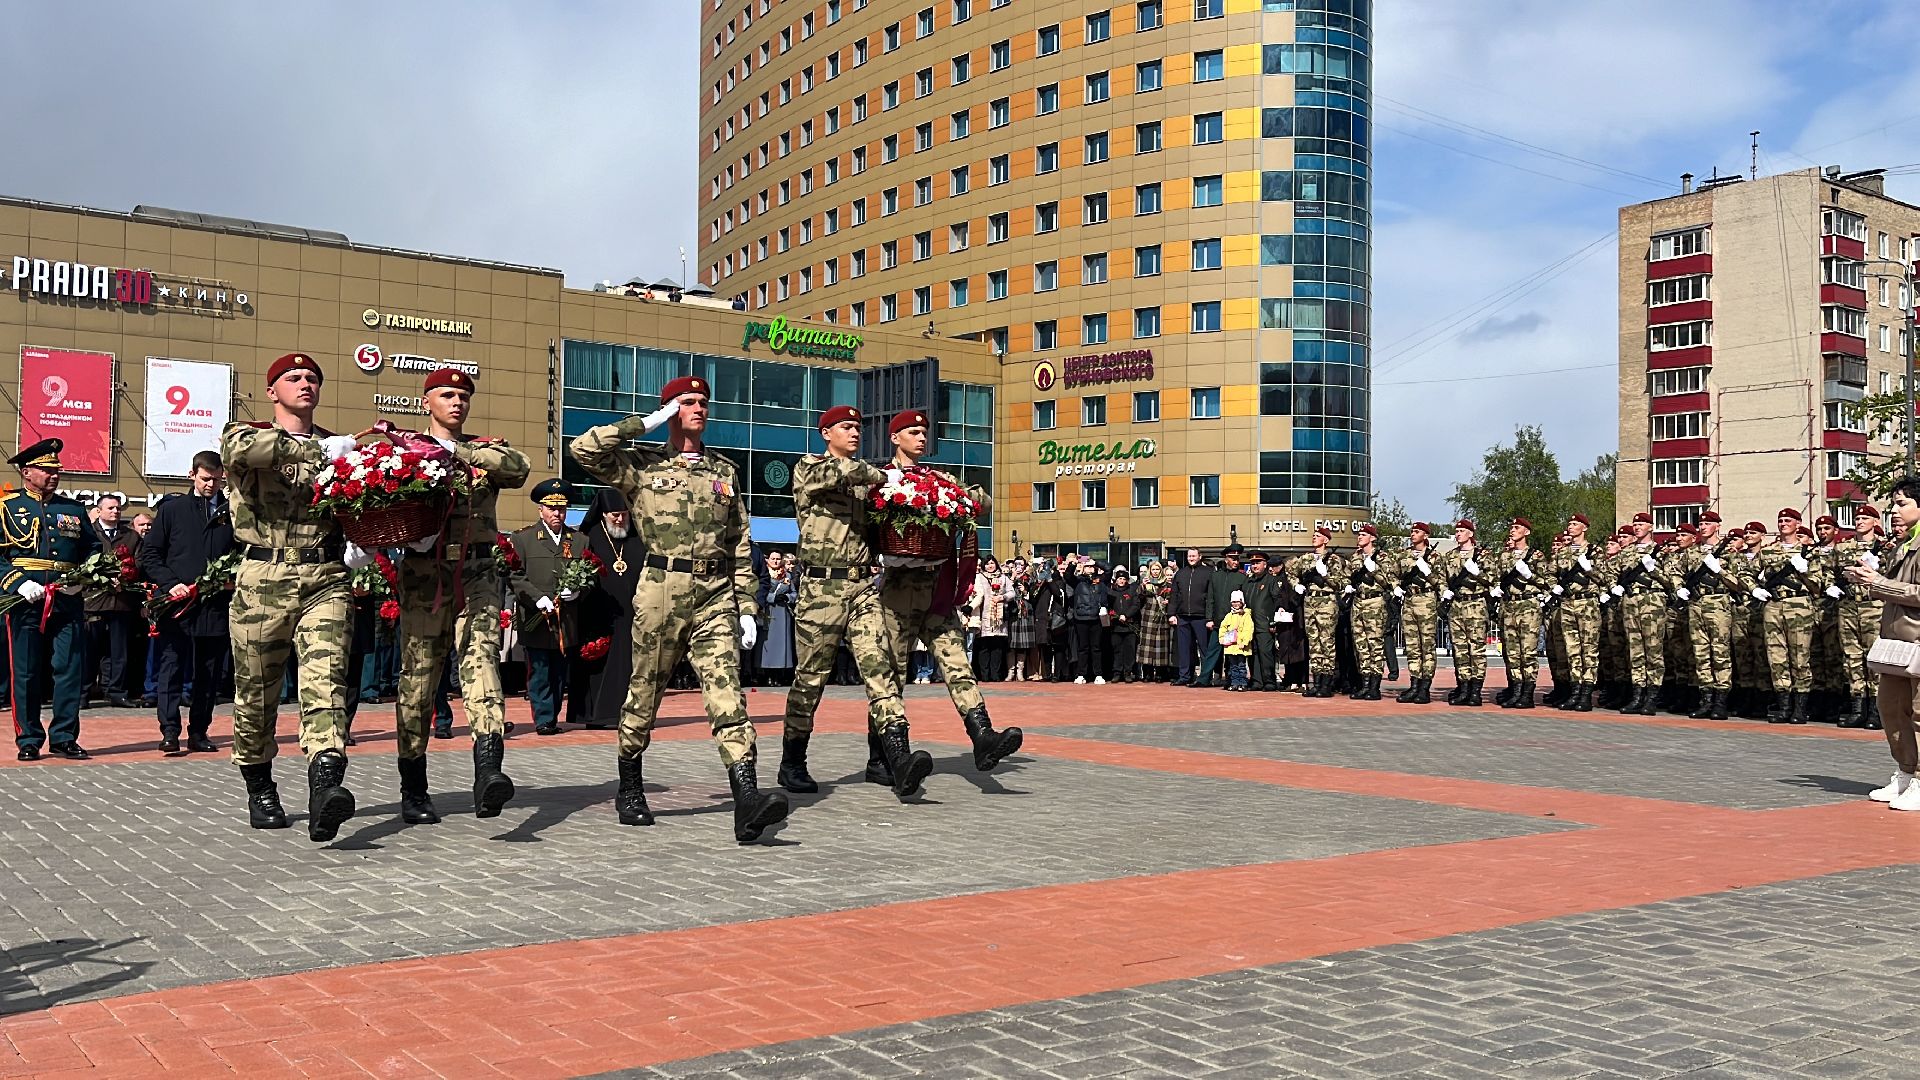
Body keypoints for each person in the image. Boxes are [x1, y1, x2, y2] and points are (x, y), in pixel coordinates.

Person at [570, 376, 789, 842]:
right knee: (644, 690)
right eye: (687, 403)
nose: (699, 409)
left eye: (703, 402)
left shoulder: (724, 471)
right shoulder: (641, 465)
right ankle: (629, 783)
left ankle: (746, 797)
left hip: (713, 592)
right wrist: (644, 423)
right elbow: (583, 450)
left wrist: (747, 604)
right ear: (669, 410)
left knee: (727, 691)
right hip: (661, 587)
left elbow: (739, 542)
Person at [368, 367, 530, 825]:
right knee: (418, 682)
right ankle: (413, 788)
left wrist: (455, 450)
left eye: (462, 395)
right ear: (426, 403)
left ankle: (488, 773)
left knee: (483, 664)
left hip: (477, 572)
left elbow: (518, 468)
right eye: (446, 395)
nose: (456, 402)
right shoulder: (403, 451)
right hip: (423, 576)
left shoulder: (483, 451)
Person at [221, 353, 356, 840]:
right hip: (263, 575)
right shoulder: (244, 433)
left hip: (325, 575)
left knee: (326, 682)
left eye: (313, 379)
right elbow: (245, 452)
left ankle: (325, 788)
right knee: (257, 696)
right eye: (294, 378)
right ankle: (260, 786)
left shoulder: (337, 445)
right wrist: (323, 454)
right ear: (271, 390)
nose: (306, 384)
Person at [779, 404, 930, 797]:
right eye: (846, 427)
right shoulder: (809, 468)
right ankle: (792, 762)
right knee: (811, 679)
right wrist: (880, 475)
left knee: (882, 671)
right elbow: (841, 472)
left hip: (863, 587)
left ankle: (893, 758)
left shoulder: (867, 480)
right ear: (826, 433)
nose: (855, 433)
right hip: (820, 590)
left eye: (858, 427)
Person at [874, 411, 1022, 775]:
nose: (921, 438)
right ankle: (884, 758)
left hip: (937, 591)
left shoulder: (938, 479)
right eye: (913, 432)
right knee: (891, 674)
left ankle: (983, 736)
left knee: (957, 663)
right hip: (898, 590)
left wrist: (956, 493)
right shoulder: (881, 477)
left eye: (924, 432)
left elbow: (982, 501)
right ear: (895, 438)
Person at [0, 439, 100, 761]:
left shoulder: (72, 509)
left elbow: (93, 549)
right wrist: (17, 583)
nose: (53, 475)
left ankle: (64, 737)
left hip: (66, 600)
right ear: (26, 472)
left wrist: (82, 578)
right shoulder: (7, 506)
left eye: (56, 470)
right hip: (25, 601)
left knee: (69, 669)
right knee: (26, 672)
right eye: (46, 469)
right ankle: (28, 738)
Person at [139, 451, 234, 753]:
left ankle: (199, 731)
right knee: (172, 667)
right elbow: (150, 555)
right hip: (177, 603)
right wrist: (170, 584)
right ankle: (169, 731)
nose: (211, 485)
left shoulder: (231, 512)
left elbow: (244, 554)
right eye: (206, 479)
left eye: (217, 480)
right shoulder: (172, 510)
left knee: (209, 672)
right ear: (192, 475)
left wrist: (232, 577)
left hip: (215, 604)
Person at [1842, 478, 1920, 810]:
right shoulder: (1901, 547)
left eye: (1902, 504)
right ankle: (1905, 772)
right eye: (1892, 506)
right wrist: (1868, 581)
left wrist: (1882, 584)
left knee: (1919, 714)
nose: (1894, 512)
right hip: (1897, 643)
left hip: (1917, 641)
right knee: (1890, 710)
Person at [509, 480, 580, 736]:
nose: (557, 514)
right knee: (539, 671)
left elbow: (590, 573)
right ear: (541, 510)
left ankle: (552, 714)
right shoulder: (523, 539)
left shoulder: (579, 540)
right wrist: (537, 597)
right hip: (537, 618)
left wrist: (579, 590)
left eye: (561, 509)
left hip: (566, 621)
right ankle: (544, 719)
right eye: (551, 508)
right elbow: (515, 575)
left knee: (560, 675)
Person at [578, 488, 644, 731]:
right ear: (603, 514)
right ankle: (595, 715)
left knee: (628, 665)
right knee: (597, 664)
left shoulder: (637, 538)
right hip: (597, 611)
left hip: (630, 614)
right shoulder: (591, 536)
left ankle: (626, 713)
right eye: (614, 515)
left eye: (623, 515)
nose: (619, 519)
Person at [1757, 507, 1820, 724]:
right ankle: (1784, 706)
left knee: (1800, 657)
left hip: (1798, 604)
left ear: (1798, 523)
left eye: (1787, 520)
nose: (1783, 523)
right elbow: (1747, 573)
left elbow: (1818, 585)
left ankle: (1800, 708)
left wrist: (1805, 571)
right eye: (1780, 520)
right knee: (1776, 657)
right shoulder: (1767, 552)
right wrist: (1755, 588)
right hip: (1773, 605)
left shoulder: (1809, 551)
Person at [1835, 504, 1888, 728]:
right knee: (1852, 658)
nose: (1860, 521)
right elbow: (1832, 572)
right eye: (1858, 518)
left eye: (1865, 518)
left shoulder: (1885, 548)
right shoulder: (1843, 547)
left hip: (1873, 606)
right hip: (1848, 606)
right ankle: (1858, 707)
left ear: (1875, 522)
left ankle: (1877, 711)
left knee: (1874, 658)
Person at [1547, 513, 1603, 713]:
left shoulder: (1595, 552)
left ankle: (1586, 695)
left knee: (1588, 650)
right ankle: (1575, 691)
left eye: (1575, 524)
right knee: (1571, 651)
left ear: (1584, 528)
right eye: (1569, 523)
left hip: (1587, 603)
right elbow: (1550, 574)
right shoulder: (1562, 553)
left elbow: (1604, 578)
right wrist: (1555, 587)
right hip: (1567, 604)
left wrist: (1590, 570)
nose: (1571, 526)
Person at [1489, 518, 1541, 709]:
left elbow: (1547, 582)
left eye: (1517, 528)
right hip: (1508, 606)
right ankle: (1516, 691)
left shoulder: (1536, 556)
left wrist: (1530, 576)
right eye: (1511, 528)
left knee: (1527, 652)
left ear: (1526, 532)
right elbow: (1494, 577)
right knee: (1512, 653)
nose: (1512, 530)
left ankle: (1527, 694)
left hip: (1528, 606)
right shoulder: (1505, 557)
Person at [1288, 528, 1347, 698]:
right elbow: (1290, 571)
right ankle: (1317, 682)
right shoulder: (1305, 558)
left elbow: (1339, 583)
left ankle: (1327, 683)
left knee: (1326, 642)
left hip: (1327, 601)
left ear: (1326, 540)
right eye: (1313, 536)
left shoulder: (1334, 559)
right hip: (1309, 601)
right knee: (1314, 643)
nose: (1314, 538)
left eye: (1318, 536)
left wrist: (1325, 574)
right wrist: (1296, 585)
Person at [1392, 523, 1443, 704]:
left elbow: (1440, 582)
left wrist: (1427, 572)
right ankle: (1414, 685)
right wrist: (1395, 587)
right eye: (1412, 531)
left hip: (1426, 600)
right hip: (1409, 601)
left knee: (1426, 646)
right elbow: (1394, 574)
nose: (1413, 534)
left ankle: (1425, 688)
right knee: (1412, 647)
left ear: (1426, 535)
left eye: (1417, 531)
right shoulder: (1404, 555)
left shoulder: (1435, 556)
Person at [1346, 525, 1391, 700]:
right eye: (1359, 534)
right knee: (1361, 646)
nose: (1359, 537)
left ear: (1372, 538)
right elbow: (1346, 577)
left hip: (1374, 602)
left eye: (1363, 534)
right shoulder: (1355, 558)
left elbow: (1388, 581)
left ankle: (1375, 686)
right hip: (1358, 602)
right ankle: (1365, 684)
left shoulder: (1382, 557)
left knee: (1375, 645)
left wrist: (1374, 570)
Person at [1197, 544, 1247, 689]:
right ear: (1226, 559)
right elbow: (1210, 599)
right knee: (1212, 652)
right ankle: (1203, 678)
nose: (1235, 562)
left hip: (1235, 623)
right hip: (1218, 622)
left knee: (1232, 653)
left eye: (1237, 559)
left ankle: (1231, 679)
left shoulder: (1242, 577)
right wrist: (1209, 619)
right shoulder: (1215, 576)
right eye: (1232, 559)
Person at [1168, 548, 1212, 685]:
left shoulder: (1208, 573)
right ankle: (1185, 676)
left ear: (1200, 556)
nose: (1191, 558)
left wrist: (1210, 616)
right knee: (1184, 648)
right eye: (1189, 556)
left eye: (1194, 556)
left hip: (1201, 616)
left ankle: (1205, 677)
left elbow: (1211, 596)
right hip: (1183, 616)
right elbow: (1174, 595)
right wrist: (1171, 614)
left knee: (1204, 649)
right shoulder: (1181, 573)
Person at [1065, 556, 1106, 683]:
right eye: (1087, 566)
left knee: (1096, 647)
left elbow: (1109, 570)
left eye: (1091, 566)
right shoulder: (1078, 581)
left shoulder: (1100, 580)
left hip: (1096, 618)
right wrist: (1073, 564)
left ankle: (1098, 674)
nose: (1089, 568)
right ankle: (1081, 674)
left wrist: (1097, 562)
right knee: (1082, 648)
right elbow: (1067, 576)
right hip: (1081, 617)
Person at [972, 557, 1013, 682]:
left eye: (992, 563)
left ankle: (995, 674)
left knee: (997, 647)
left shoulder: (1003, 578)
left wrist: (1002, 597)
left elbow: (1012, 593)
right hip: (984, 615)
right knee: (984, 646)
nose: (990, 566)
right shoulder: (979, 577)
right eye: (988, 564)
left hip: (999, 617)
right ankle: (984, 674)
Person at [760, 553, 798, 685]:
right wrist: (772, 598)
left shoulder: (787, 575)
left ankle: (779, 675)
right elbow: (760, 592)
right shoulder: (765, 574)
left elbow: (794, 593)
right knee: (768, 645)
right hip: (769, 612)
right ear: (768, 560)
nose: (776, 561)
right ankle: (768, 675)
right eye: (773, 559)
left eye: (778, 559)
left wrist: (788, 598)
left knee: (782, 645)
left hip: (783, 612)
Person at [1136, 561, 1172, 682]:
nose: (1155, 572)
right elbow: (1138, 598)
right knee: (1147, 647)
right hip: (1148, 617)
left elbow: (1171, 597)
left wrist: (1168, 602)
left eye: (1157, 569)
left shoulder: (1166, 583)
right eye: (1153, 569)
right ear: (1149, 571)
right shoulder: (1146, 582)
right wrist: (1142, 586)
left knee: (1160, 647)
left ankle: (1160, 674)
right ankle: (1147, 673)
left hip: (1162, 617)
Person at [1105, 565, 1141, 681]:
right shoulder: (1111, 591)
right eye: (1120, 579)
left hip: (1129, 626)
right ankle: (1117, 672)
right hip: (1116, 626)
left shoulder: (1132, 591)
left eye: (1124, 579)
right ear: (1116, 580)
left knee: (1129, 650)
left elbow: (1136, 605)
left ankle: (1128, 672)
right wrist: (1114, 615)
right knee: (1117, 649)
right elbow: (1108, 605)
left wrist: (1126, 615)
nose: (1122, 581)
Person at [1219, 591, 1255, 691]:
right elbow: (1223, 627)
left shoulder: (1246, 615)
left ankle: (1242, 683)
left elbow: (1249, 629)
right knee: (1233, 666)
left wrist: (1245, 642)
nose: (1235, 604)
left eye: (1238, 602)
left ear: (1242, 602)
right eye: (1233, 602)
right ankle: (1234, 683)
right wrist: (1222, 638)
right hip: (1230, 646)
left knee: (1241, 666)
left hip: (1241, 647)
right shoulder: (1228, 615)